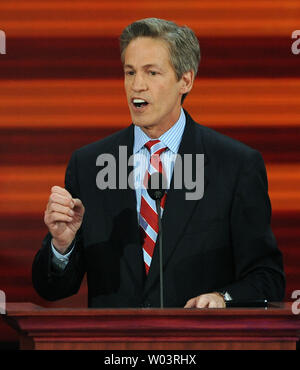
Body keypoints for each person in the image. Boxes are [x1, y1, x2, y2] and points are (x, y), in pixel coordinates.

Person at [32, 18, 285, 308]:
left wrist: (222, 298)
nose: (137, 86)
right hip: (117, 349)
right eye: (130, 72)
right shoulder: (89, 165)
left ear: (185, 80)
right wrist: (62, 246)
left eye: (152, 72)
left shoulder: (235, 165)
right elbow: (52, 290)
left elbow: (268, 278)